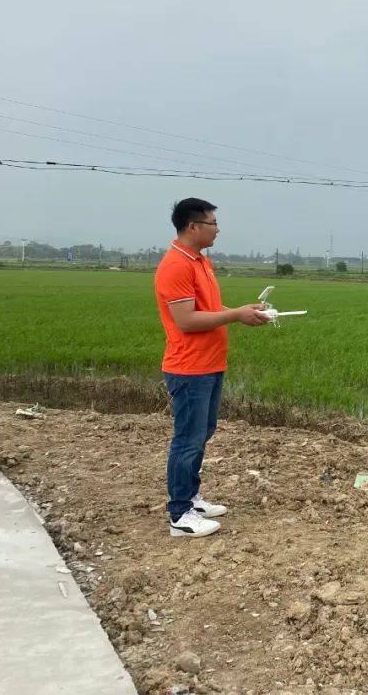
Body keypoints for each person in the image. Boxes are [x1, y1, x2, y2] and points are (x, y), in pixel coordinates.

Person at [154, 198, 269, 537]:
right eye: (213, 223)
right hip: (189, 367)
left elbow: (209, 308)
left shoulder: (200, 262)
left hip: (210, 363)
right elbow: (187, 321)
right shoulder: (176, 265)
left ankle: (191, 497)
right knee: (187, 439)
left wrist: (242, 311)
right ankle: (180, 515)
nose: (218, 229)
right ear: (193, 227)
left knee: (202, 433)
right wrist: (236, 316)